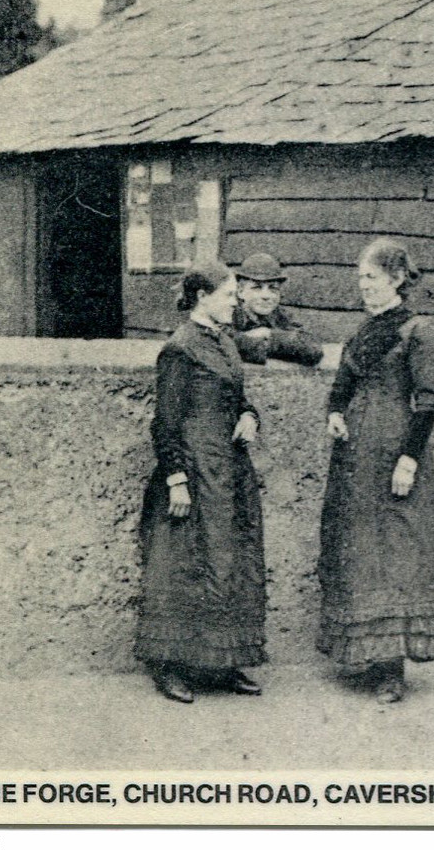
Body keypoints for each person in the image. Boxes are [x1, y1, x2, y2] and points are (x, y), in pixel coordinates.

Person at [135, 261, 268, 703]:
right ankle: (170, 667)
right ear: (202, 298)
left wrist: (249, 416)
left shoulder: (224, 341)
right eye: (230, 294)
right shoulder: (180, 347)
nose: (237, 301)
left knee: (228, 562)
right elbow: (165, 422)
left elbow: (238, 396)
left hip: (228, 470)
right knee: (185, 567)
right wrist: (176, 479)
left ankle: (222, 662)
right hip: (193, 469)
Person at [318, 238, 434, 703]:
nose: (363, 286)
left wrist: (409, 459)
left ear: (395, 279)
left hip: (394, 458)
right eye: (360, 279)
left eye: (370, 278)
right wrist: (335, 411)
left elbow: (428, 401)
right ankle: (365, 656)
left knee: (395, 556)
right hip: (355, 462)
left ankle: (392, 670)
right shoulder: (362, 332)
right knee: (361, 554)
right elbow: (342, 384)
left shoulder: (417, 331)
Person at [231, 252, 325, 367]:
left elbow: (313, 349)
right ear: (240, 292)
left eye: (273, 288)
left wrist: (269, 334)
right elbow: (223, 343)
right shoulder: (229, 312)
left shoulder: (280, 316)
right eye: (257, 288)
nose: (266, 296)